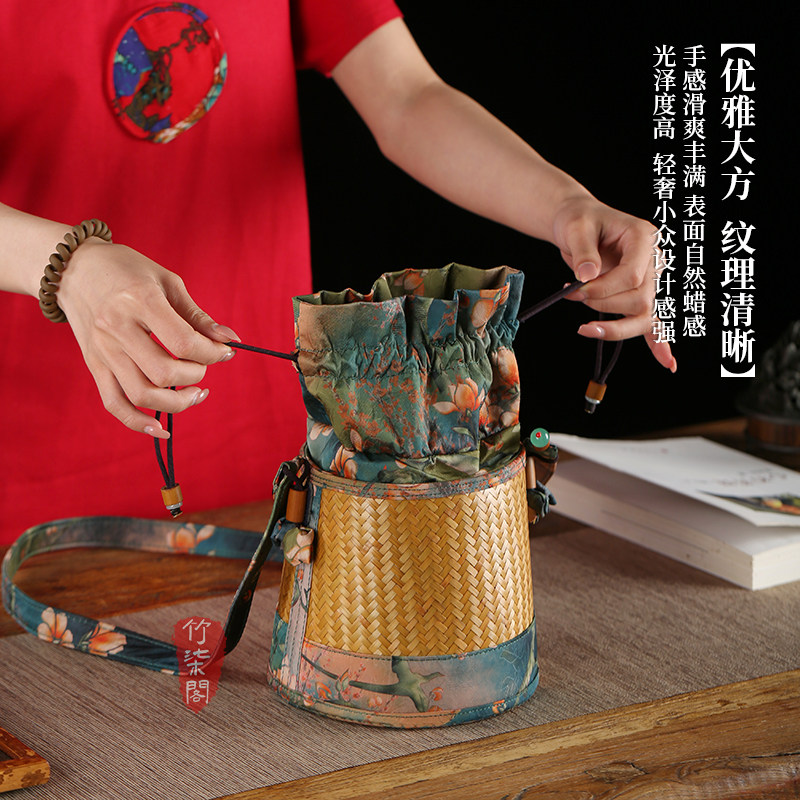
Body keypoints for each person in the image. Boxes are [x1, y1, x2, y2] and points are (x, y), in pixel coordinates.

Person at [0, 1, 675, 546]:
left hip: (279, 464)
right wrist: (67, 265)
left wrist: (567, 208)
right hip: (28, 487)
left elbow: (405, 95)